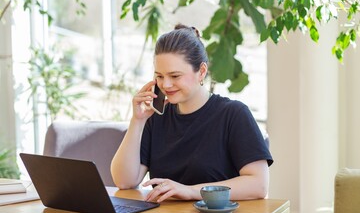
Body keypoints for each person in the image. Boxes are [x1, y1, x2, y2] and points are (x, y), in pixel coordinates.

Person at [111, 24, 273, 203]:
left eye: (175, 76)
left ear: (201, 71)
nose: (165, 85)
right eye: (159, 76)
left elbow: (259, 184)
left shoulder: (233, 114)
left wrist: (191, 191)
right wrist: (137, 120)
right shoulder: (156, 117)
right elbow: (124, 181)